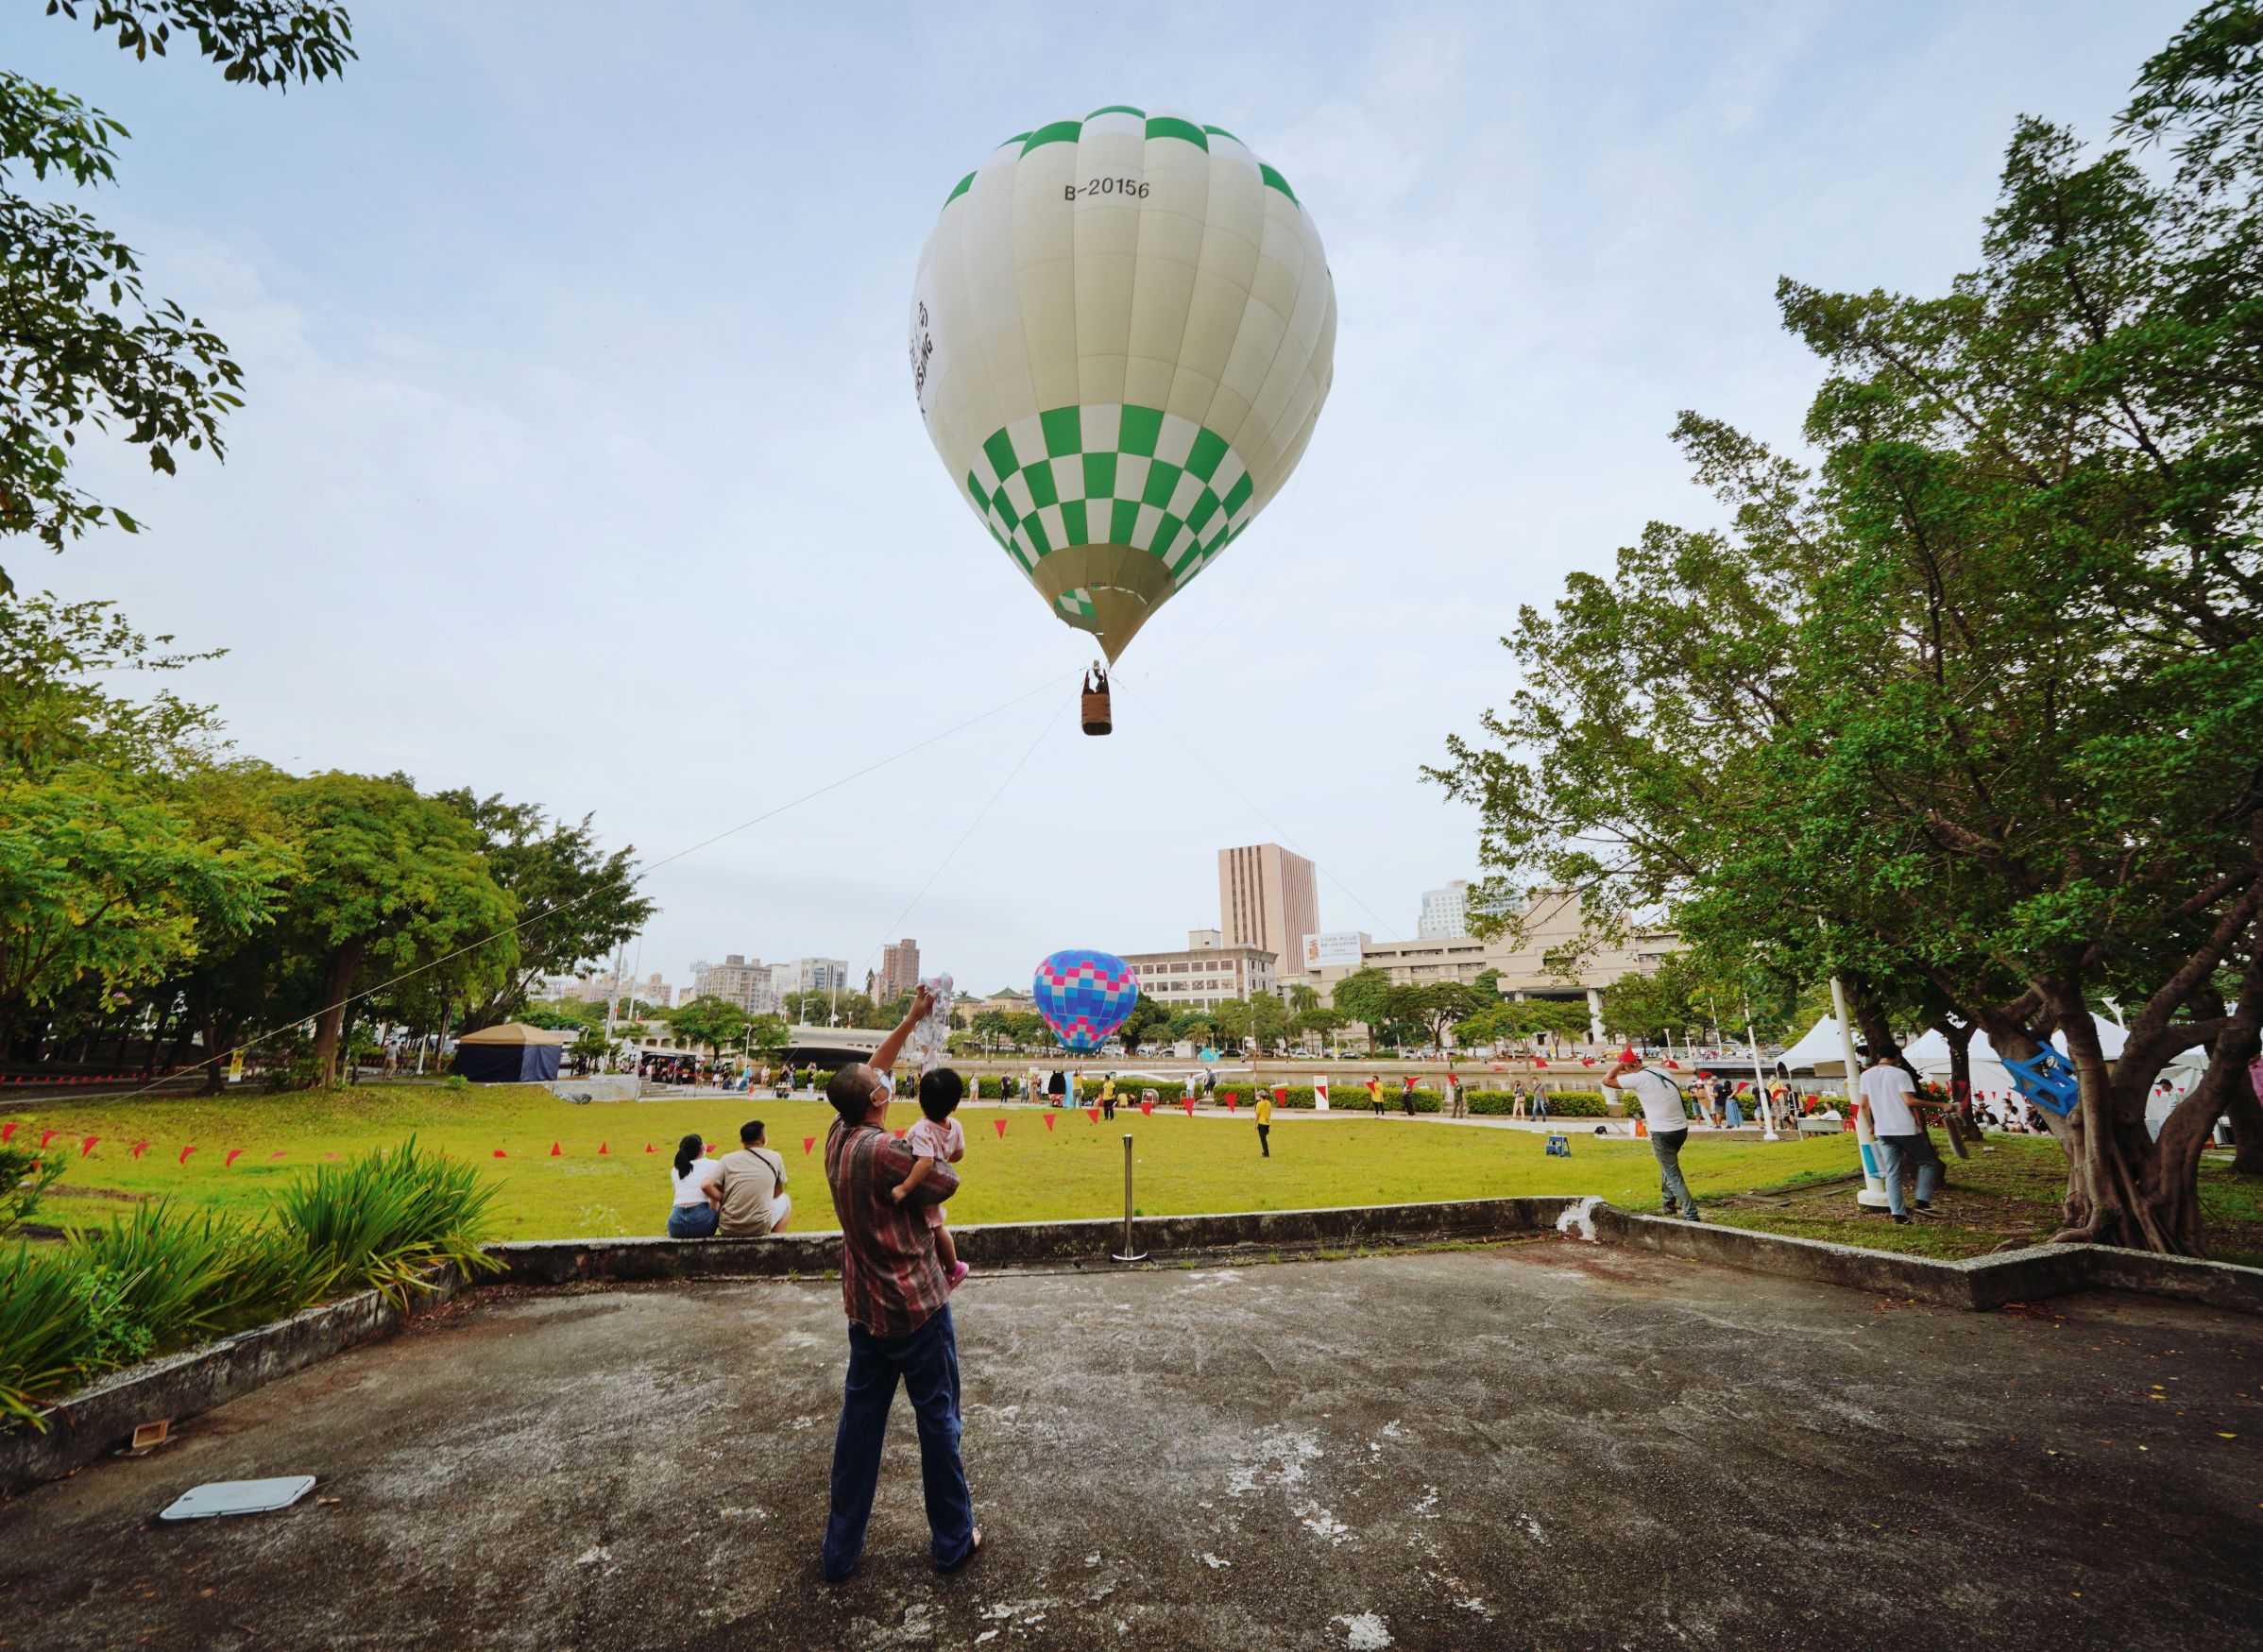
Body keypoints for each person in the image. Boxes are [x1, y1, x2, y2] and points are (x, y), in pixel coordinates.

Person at [819, 985, 979, 1582]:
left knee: (859, 1426)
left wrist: (913, 1018)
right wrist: (941, 1135)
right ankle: (953, 1541)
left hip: (865, 1307)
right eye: (880, 1084)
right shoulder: (888, 1151)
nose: (883, 1079)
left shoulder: (838, 1135)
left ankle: (840, 1551)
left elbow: (871, 1071)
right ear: (879, 1100)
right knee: (938, 1421)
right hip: (915, 1306)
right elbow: (947, 1181)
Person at [893, 1068, 971, 1288]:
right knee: (932, 1228)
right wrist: (943, 1159)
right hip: (936, 1185)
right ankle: (938, 1269)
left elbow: (925, 1161)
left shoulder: (921, 1130)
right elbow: (958, 1154)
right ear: (955, 1105)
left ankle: (954, 1268)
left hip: (923, 1188)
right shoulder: (955, 1125)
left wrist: (904, 1188)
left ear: (919, 1097)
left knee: (936, 1228)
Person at [1603, 1053, 1702, 1221]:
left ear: (1629, 1066)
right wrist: (1626, 1063)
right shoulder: (1661, 1071)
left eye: (1624, 1069)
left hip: (1662, 1132)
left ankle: (1690, 1213)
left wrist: (1621, 1064)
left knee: (1673, 1174)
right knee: (1667, 1166)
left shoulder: (1638, 1078)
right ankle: (1668, 1202)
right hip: (1681, 1129)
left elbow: (1606, 1080)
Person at [1860, 1048, 1941, 1224]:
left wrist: (1870, 1127)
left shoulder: (1866, 1075)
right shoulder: (1900, 1074)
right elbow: (1909, 1101)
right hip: (1904, 1129)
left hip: (1883, 1131)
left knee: (1892, 1172)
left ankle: (1898, 1214)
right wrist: (1942, 1105)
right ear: (1897, 1056)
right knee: (1927, 1163)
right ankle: (1922, 1201)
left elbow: (1864, 1105)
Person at [717, 1118, 791, 1236]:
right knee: (785, 1200)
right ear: (763, 1138)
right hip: (759, 1226)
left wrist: (724, 1198)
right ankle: (777, 1241)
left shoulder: (726, 1159)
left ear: (742, 1140)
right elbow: (778, 1193)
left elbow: (711, 1186)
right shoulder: (775, 1157)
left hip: (728, 1227)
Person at [666, 1132, 722, 1237]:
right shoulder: (714, 1164)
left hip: (676, 1222)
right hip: (702, 1221)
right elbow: (715, 1202)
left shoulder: (676, 1170)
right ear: (702, 1148)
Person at [1255, 1086, 1273, 1157]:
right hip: (1267, 1123)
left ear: (1260, 1096)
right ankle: (1265, 1152)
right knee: (1264, 1138)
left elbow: (1257, 1115)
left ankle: (1266, 1153)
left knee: (1263, 1139)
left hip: (1262, 1123)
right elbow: (1269, 1113)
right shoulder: (1268, 1103)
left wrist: (1255, 1123)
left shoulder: (1259, 1104)